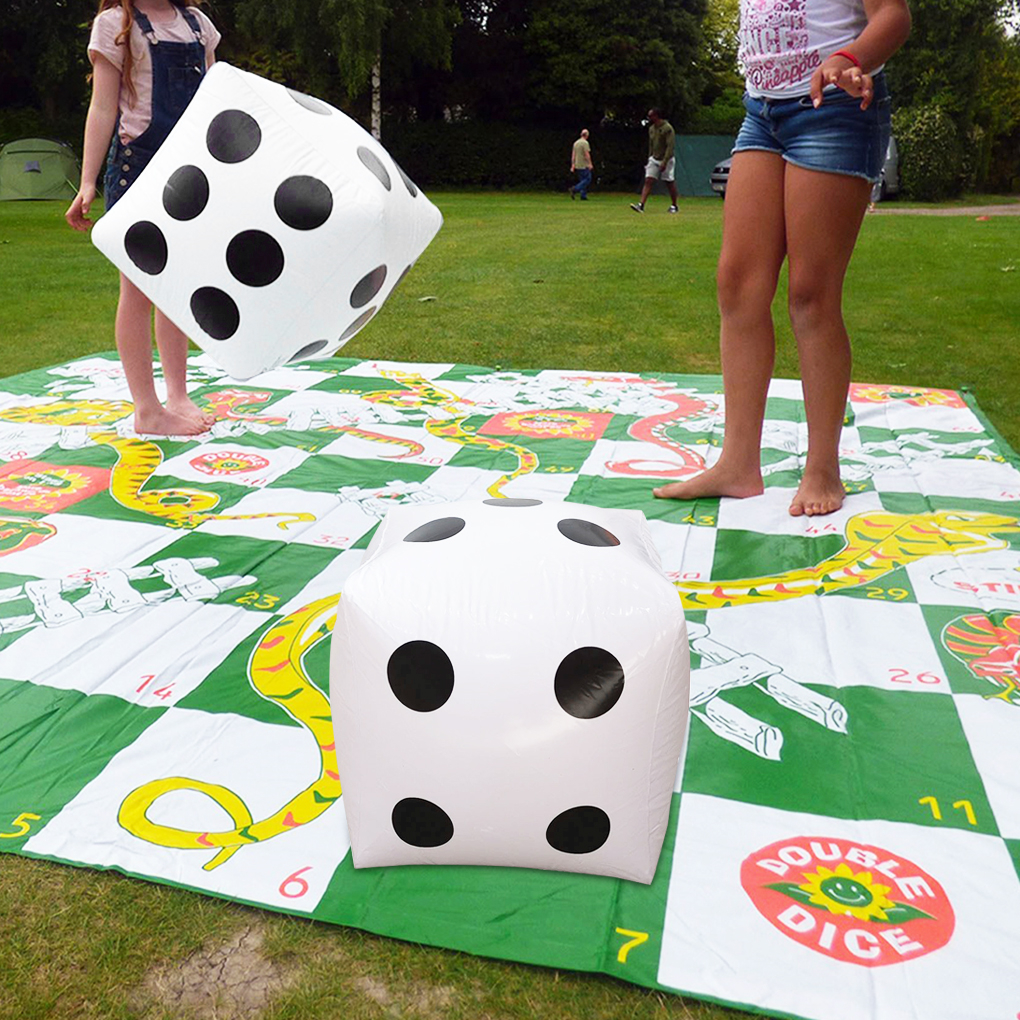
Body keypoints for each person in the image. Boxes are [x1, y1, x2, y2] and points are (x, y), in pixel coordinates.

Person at [654, 0, 911, 516]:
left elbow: (894, 16)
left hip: (834, 108)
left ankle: (822, 470)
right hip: (763, 111)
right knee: (737, 285)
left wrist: (847, 57)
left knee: (811, 295)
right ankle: (737, 464)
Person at [66, 0, 220, 436]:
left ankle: (179, 395)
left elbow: (214, 103)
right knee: (138, 289)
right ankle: (147, 409)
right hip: (137, 171)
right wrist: (88, 180)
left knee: (177, 285)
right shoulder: (115, 25)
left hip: (191, 171)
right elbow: (103, 108)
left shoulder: (198, 26)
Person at [630, 109, 679, 214]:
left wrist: (665, 162)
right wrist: (649, 159)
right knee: (648, 180)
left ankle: (674, 205)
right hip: (654, 158)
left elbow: (670, 147)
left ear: (656, 116)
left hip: (667, 159)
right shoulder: (651, 129)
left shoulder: (668, 128)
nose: (649, 118)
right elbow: (651, 145)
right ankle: (641, 205)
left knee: (669, 182)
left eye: (651, 116)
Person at [569, 128, 593, 200]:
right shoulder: (585, 143)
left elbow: (573, 155)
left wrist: (572, 165)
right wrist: (590, 164)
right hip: (584, 164)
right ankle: (575, 189)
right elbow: (587, 154)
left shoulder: (576, 143)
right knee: (587, 179)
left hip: (577, 164)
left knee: (582, 180)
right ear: (587, 135)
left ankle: (583, 195)